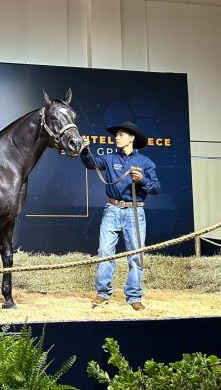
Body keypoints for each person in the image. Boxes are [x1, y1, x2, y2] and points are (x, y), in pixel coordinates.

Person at [80, 121, 160, 311]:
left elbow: (156, 188)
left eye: (121, 134)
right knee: (105, 252)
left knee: (136, 256)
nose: (117, 137)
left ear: (131, 138)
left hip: (135, 211)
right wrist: (84, 150)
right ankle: (103, 293)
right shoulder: (108, 159)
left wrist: (142, 180)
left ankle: (134, 296)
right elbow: (91, 163)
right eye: (116, 135)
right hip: (112, 210)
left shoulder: (145, 163)